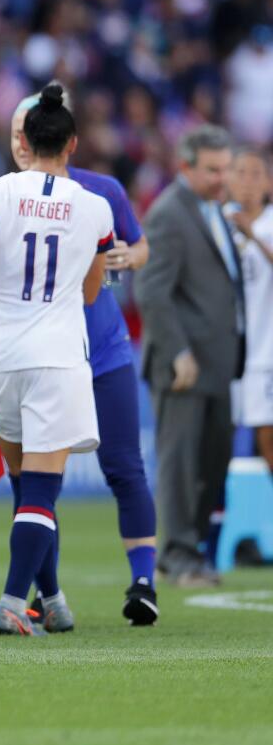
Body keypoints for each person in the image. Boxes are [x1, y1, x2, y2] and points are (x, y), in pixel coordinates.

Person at [0, 83, 113, 637]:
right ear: (72, 145)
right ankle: (15, 601)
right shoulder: (95, 206)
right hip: (56, 358)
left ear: (25, 140)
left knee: (22, 482)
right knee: (40, 491)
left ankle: (53, 598)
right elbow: (90, 291)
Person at [137, 125, 243, 588]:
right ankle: (177, 557)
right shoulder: (168, 214)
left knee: (213, 462)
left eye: (226, 169)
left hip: (219, 361)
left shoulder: (214, 209)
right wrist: (177, 351)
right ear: (186, 167)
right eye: (213, 170)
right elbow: (151, 291)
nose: (223, 178)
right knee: (181, 462)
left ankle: (190, 551)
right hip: (183, 364)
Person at [229, 149, 273, 475]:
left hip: (265, 354)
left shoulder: (269, 225)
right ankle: (217, 522)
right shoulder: (218, 221)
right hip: (227, 356)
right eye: (240, 172)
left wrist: (253, 236)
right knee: (217, 444)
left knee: (267, 440)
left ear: (268, 182)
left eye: (256, 174)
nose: (247, 182)